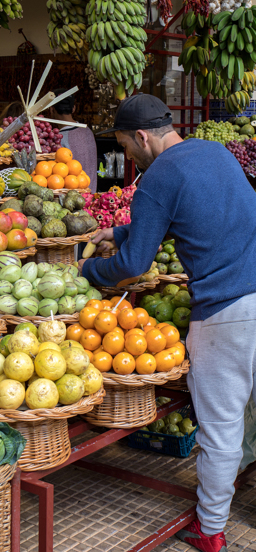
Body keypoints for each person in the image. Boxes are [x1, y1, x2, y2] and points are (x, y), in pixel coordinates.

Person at [78, 94, 256, 552]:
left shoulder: (158, 176)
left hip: (227, 312)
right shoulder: (214, 152)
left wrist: (86, 272)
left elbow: (134, 266)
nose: (130, 159)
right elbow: (195, 216)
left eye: (125, 147)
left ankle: (211, 530)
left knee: (220, 429)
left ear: (141, 137)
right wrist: (119, 231)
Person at [51, 88, 98, 192]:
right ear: (73, 109)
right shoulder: (88, 131)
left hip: (73, 199)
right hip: (91, 195)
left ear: (52, 110)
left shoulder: (59, 138)